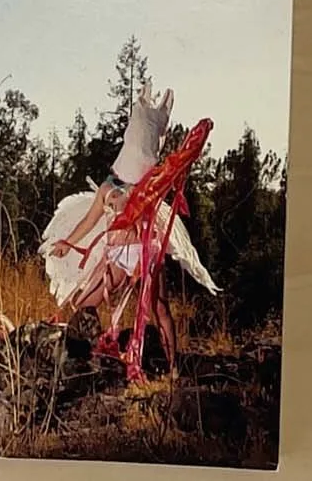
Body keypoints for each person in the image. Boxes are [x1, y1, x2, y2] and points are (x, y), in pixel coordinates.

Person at [38, 87, 216, 379]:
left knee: (159, 308)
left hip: (146, 255)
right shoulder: (108, 188)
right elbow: (90, 220)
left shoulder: (151, 185)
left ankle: (173, 367)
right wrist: (68, 243)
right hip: (117, 255)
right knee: (84, 303)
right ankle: (84, 359)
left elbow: (176, 165)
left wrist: (194, 143)